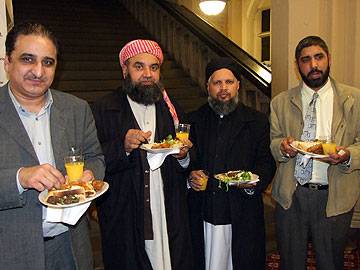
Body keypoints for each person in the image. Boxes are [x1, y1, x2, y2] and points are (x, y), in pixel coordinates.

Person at [0, 22, 105, 270]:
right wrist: (19, 177)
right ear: (7, 62)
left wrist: (89, 176)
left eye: (48, 62)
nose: (38, 71)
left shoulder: (77, 109)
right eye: (28, 59)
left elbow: (96, 158)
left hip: (71, 247)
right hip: (10, 250)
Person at [92, 39, 194, 270]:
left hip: (168, 207)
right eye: (139, 66)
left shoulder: (172, 107)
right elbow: (92, 159)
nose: (147, 74)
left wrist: (183, 156)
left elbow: (189, 155)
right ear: (124, 70)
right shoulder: (103, 108)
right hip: (126, 210)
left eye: (154, 67)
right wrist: (123, 147)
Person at [270, 35, 360, 270]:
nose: (314, 65)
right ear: (297, 65)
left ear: (328, 58)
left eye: (318, 57)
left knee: (330, 262)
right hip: (292, 195)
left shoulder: (354, 99)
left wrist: (348, 155)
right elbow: (273, 141)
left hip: (335, 195)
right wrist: (283, 147)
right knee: (290, 262)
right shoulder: (280, 102)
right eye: (306, 60)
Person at [187, 57, 276, 270]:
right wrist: (190, 176)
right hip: (204, 211)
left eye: (229, 82)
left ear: (238, 85)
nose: (223, 88)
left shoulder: (257, 121)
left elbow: (266, 162)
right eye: (217, 83)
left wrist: (251, 184)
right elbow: (186, 161)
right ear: (208, 86)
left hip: (241, 211)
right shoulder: (194, 120)